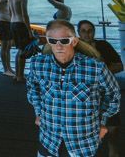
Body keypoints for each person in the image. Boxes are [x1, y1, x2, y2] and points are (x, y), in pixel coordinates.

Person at [27, 19, 120, 157]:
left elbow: (113, 94)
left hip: (83, 145)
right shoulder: (37, 64)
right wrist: (38, 111)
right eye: (53, 41)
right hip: (49, 142)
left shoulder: (95, 67)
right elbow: (32, 88)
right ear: (48, 41)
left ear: (74, 41)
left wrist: (102, 120)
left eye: (64, 41)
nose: (58, 46)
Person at [78, 19, 123, 157]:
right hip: (84, 95)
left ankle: (113, 150)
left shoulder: (103, 45)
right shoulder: (73, 49)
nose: (87, 34)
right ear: (78, 33)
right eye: (83, 31)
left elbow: (119, 66)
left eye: (90, 30)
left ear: (94, 32)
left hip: (106, 92)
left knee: (113, 128)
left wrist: (102, 69)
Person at [9, 0, 33, 83]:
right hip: (20, 24)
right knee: (23, 51)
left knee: (19, 50)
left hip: (12, 23)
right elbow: (25, 15)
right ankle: (20, 76)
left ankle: (16, 75)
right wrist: (29, 30)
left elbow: (10, 12)